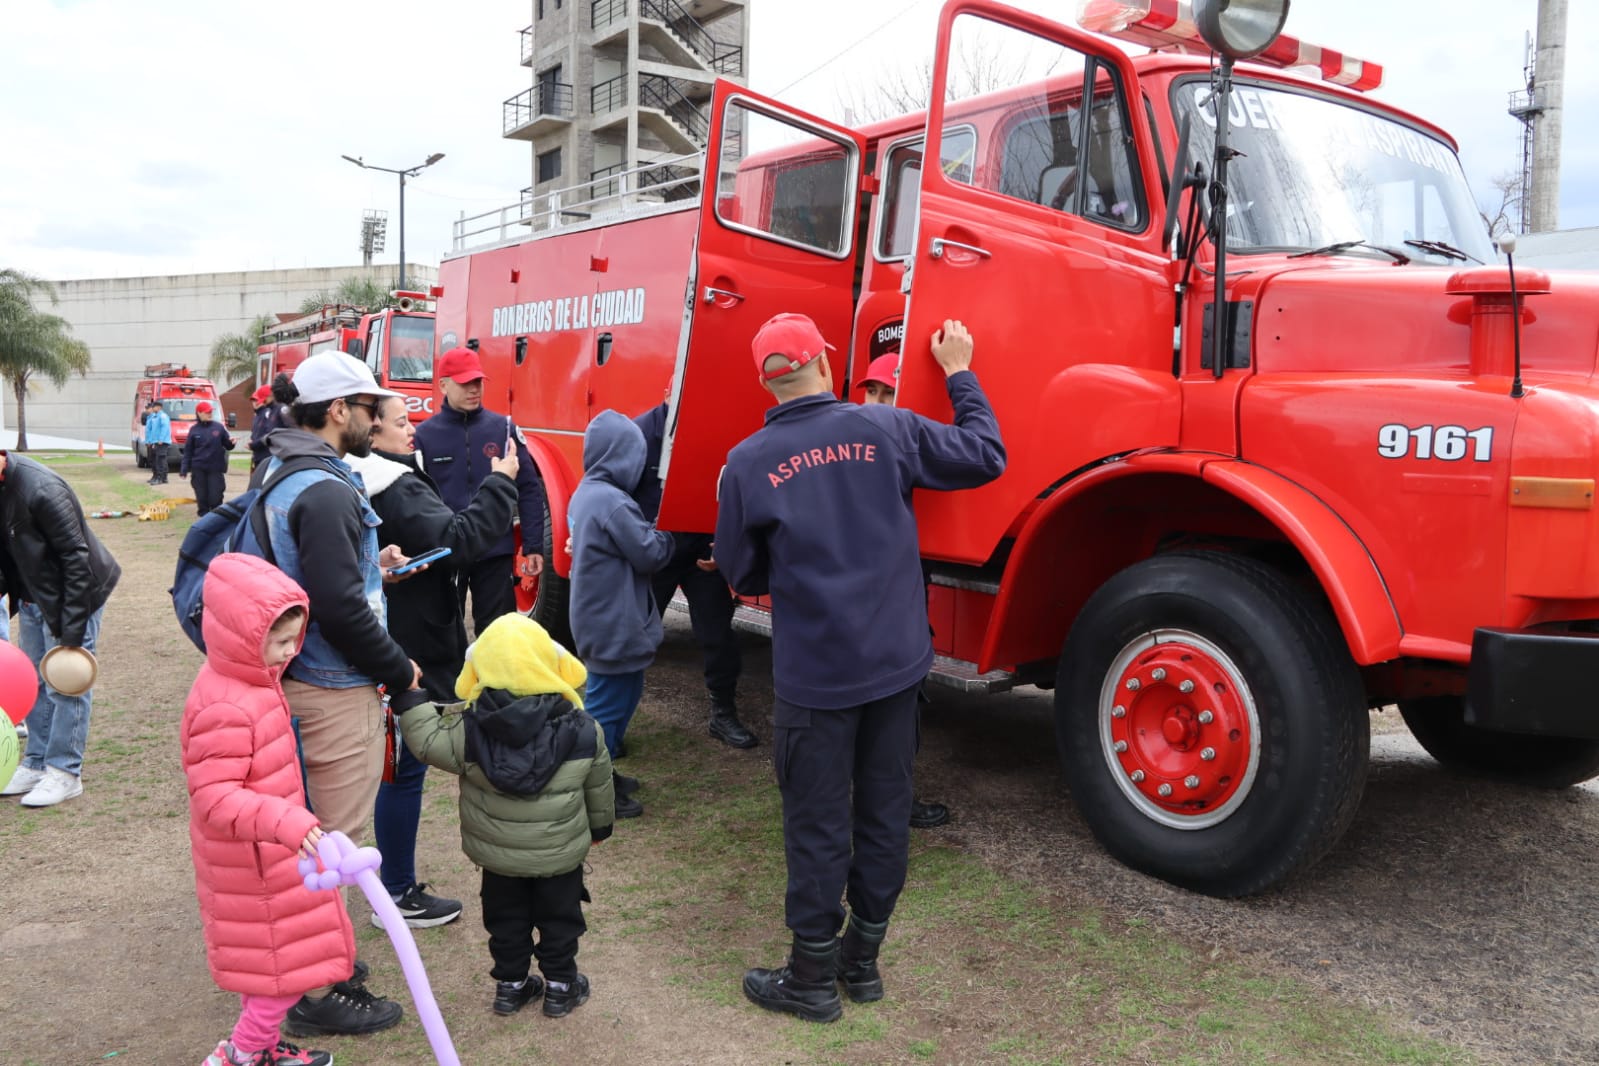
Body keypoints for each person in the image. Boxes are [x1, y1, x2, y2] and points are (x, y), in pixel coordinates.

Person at [715, 314, 1004, 1022]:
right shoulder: (887, 429)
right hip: (896, 666)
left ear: (764, 379)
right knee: (882, 817)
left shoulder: (747, 462)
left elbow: (740, 568)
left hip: (815, 678)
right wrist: (959, 372)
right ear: (825, 360)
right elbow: (985, 454)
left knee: (816, 824)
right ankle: (862, 965)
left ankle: (811, 979)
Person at [253, 352, 423, 1038]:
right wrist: (400, 668)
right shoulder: (324, 488)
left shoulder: (284, 470)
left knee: (313, 836)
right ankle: (319, 989)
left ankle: (319, 968)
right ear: (337, 411)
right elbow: (337, 609)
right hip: (332, 686)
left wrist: (369, 568)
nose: (375, 416)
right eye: (366, 405)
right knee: (331, 846)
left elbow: (319, 578)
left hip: (302, 678)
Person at [345, 394, 521, 929]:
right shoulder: (390, 482)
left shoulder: (352, 479)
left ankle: (393, 885)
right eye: (401, 423)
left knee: (397, 767)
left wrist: (381, 565)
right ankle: (396, 892)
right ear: (368, 432)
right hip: (404, 646)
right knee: (403, 768)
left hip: (396, 635)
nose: (412, 431)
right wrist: (502, 480)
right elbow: (459, 538)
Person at [396, 613, 614, 1019]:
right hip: (559, 858)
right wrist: (600, 827)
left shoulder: (470, 728)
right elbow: (599, 786)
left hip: (498, 860)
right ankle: (561, 988)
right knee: (561, 917)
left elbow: (426, 742)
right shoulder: (583, 728)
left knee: (505, 918)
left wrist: (411, 696)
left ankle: (510, 988)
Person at [182, 553, 346, 1066]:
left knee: (273, 967)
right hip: (254, 863)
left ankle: (265, 1048)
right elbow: (215, 796)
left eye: (292, 640)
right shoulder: (227, 705)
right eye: (276, 642)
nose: (286, 653)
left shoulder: (253, 684)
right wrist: (288, 821)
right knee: (283, 975)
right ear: (238, 636)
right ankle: (242, 1053)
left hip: (267, 856)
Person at [856, 353, 950, 832]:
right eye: (871, 391)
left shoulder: (896, 442)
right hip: (881, 606)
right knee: (891, 710)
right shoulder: (871, 443)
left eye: (887, 392)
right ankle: (890, 805)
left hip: (889, 598)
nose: (876, 402)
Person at [567, 410, 675, 818]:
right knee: (604, 713)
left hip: (601, 618)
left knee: (623, 693)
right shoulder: (612, 501)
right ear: (621, 456)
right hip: (613, 622)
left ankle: (604, 773)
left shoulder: (588, 491)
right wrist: (671, 534)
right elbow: (649, 553)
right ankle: (592, 789)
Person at [632, 398, 757, 750]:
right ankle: (613, 720)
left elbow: (735, 490)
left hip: (704, 551)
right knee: (634, 637)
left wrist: (726, 541)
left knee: (718, 633)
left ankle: (724, 713)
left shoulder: (717, 427)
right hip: (656, 549)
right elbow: (617, 493)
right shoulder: (640, 432)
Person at [0, 448, 121, 807]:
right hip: (34, 596)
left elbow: (76, 558)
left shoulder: (41, 489)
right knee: (36, 680)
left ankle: (66, 772)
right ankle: (37, 762)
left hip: (74, 597)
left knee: (67, 682)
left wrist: (72, 632)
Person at [414, 347, 548, 636]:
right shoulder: (424, 436)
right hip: (444, 552)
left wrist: (533, 544)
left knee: (498, 635)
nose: (474, 389)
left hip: (494, 550)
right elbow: (415, 499)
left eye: (478, 382)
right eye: (465, 383)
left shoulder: (503, 429)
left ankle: (494, 684)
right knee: (443, 634)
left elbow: (528, 488)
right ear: (443, 385)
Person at [180, 400, 237, 516]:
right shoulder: (194, 430)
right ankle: (204, 518)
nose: (209, 414)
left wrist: (232, 443)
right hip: (199, 469)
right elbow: (188, 451)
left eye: (211, 412)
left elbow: (227, 445)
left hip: (215, 469)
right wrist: (184, 469)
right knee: (202, 497)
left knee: (215, 497)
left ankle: (216, 518)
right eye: (207, 412)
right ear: (199, 413)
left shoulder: (219, 428)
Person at [248, 381, 287, 472]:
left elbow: (272, 434)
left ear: (271, 396)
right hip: (262, 455)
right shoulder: (269, 412)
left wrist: (255, 444)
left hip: (273, 455)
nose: (263, 403)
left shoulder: (281, 409)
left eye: (263, 400)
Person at [143, 399, 173, 485]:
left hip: (161, 442)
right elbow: (152, 431)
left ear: (159, 407)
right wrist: (150, 441)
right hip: (156, 441)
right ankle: (159, 477)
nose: (152, 408)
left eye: (154, 407)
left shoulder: (162, 416)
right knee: (157, 459)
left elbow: (164, 428)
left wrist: (161, 439)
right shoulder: (155, 417)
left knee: (160, 459)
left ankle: (161, 477)